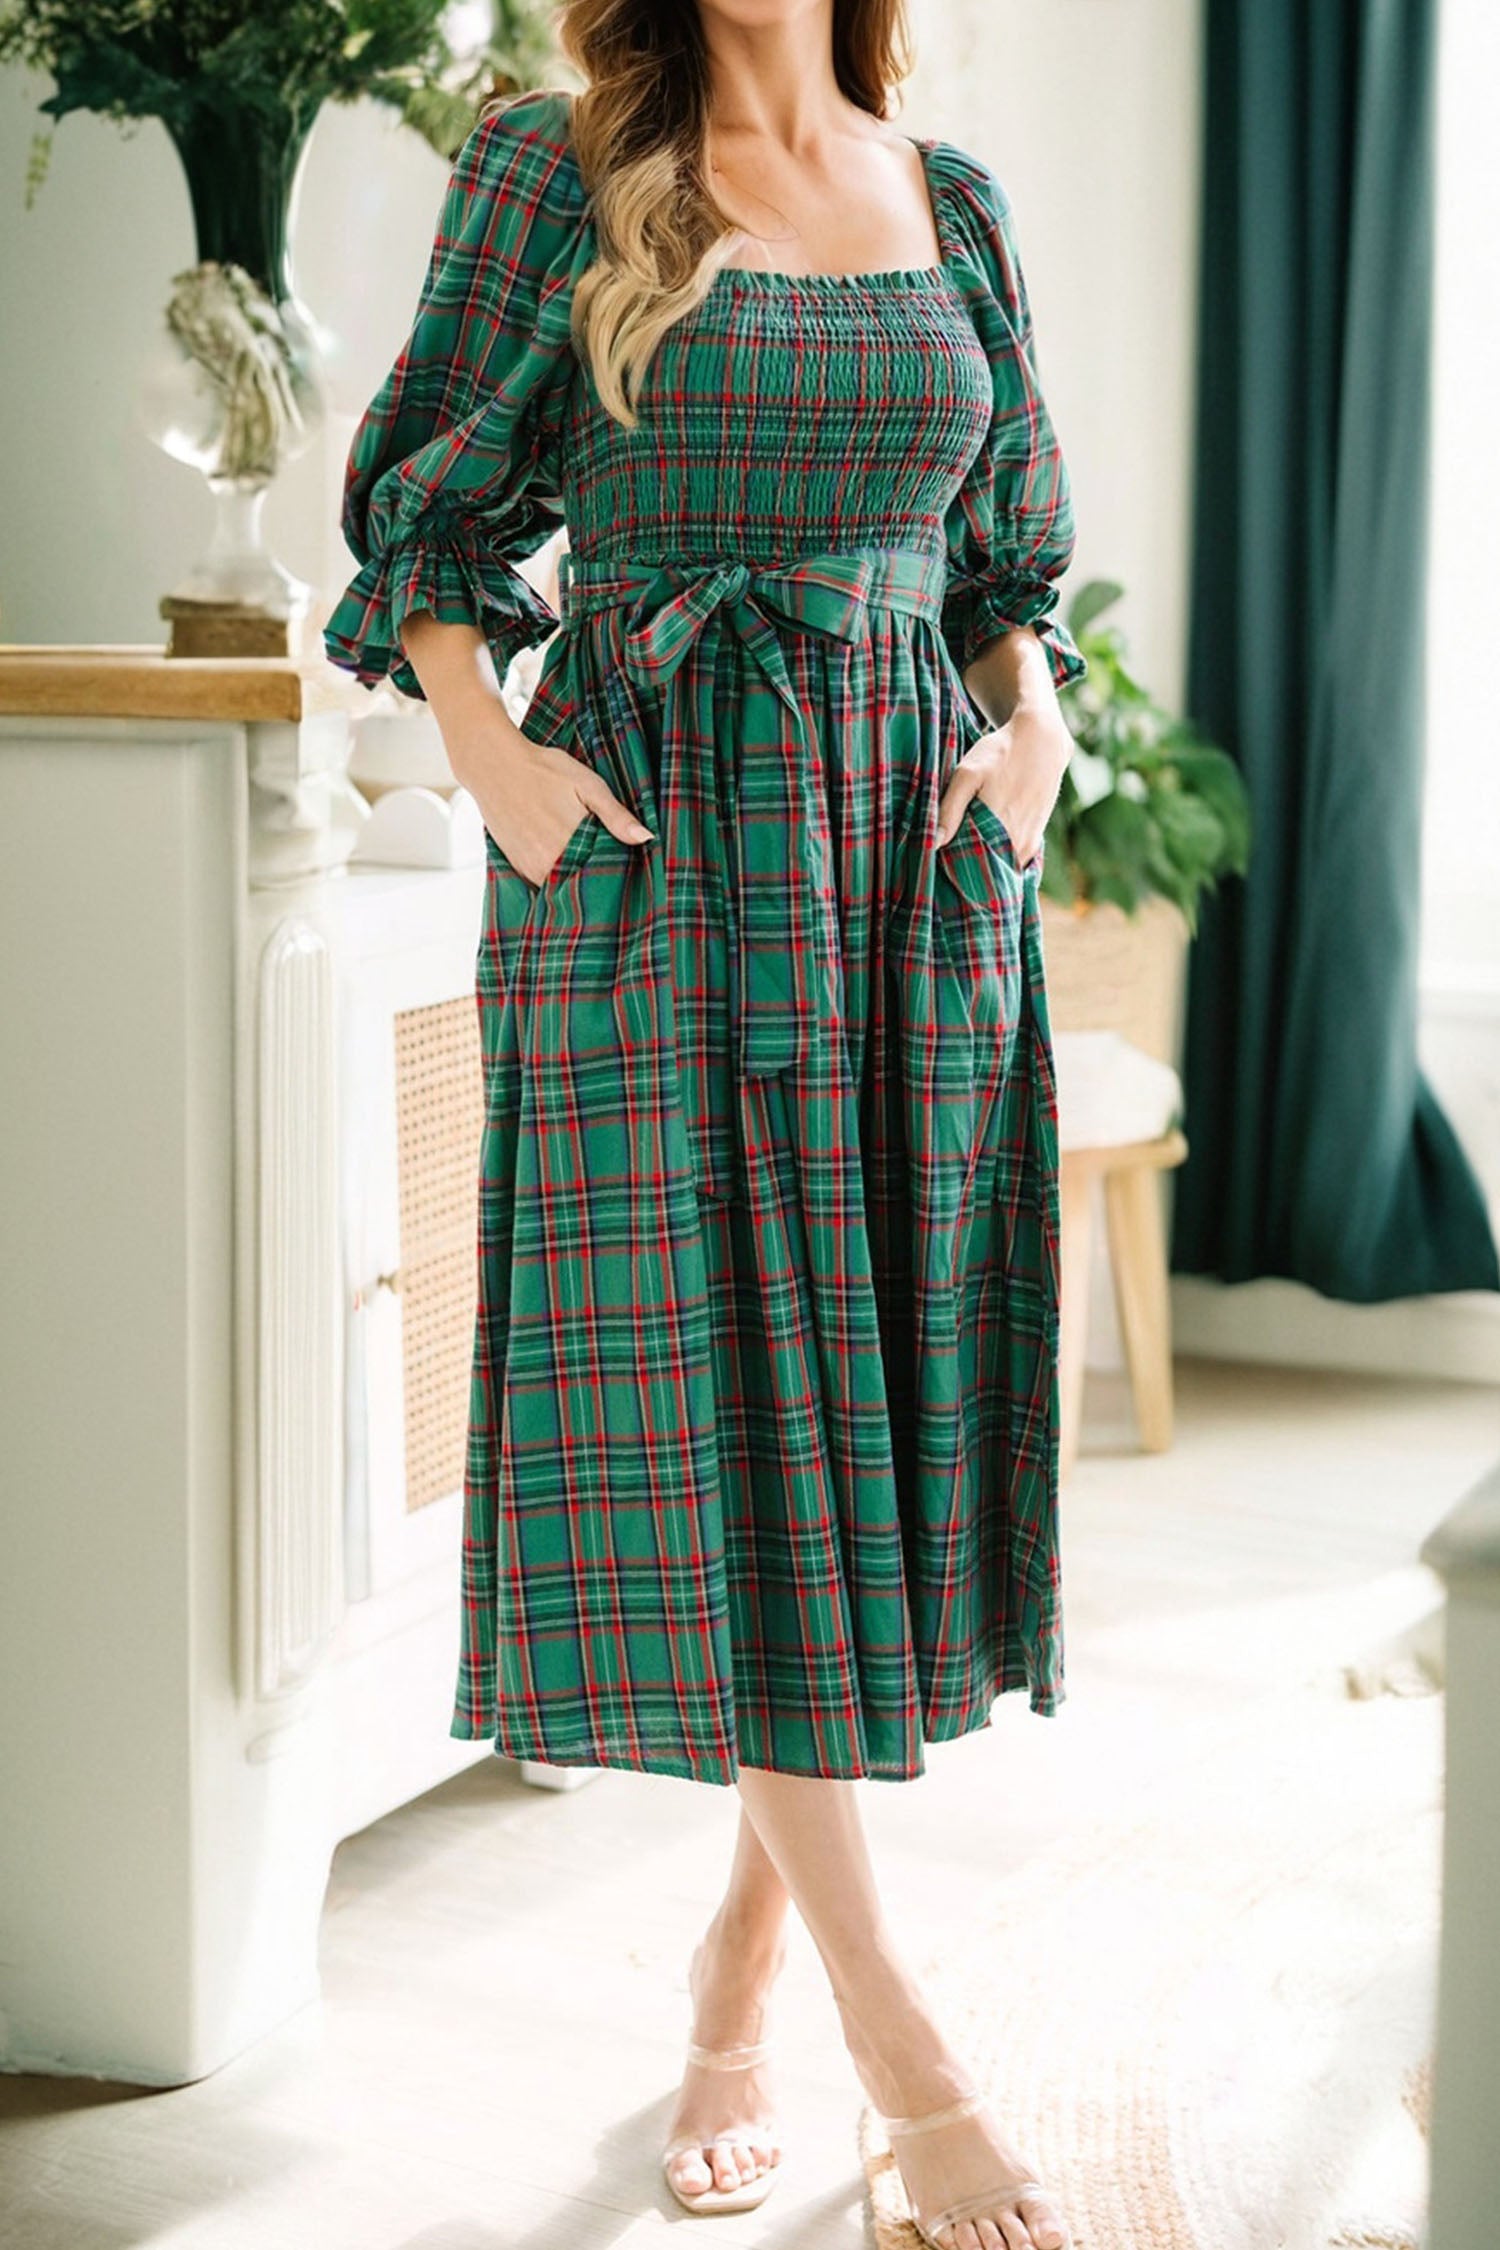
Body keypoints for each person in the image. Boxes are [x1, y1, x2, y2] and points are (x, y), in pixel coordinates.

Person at [324, 4, 1083, 2244]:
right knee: (736, 1429)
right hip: (659, 858)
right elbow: (427, 510)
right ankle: (903, 2049)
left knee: (866, 1436)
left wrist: (1034, 739)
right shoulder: (552, 167)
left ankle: (734, 1978)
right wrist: (492, 762)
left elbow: (1005, 568)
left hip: (911, 868)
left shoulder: (950, 202)